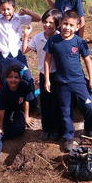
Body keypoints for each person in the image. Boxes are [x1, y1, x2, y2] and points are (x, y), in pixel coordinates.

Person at [44, 10, 92, 151]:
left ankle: (90, 129)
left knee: (90, 105)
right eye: (65, 24)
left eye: (71, 25)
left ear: (77, 27)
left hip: (79, 81)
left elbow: (88, 61)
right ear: (61, 23)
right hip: (62, 83)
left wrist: (91, 81)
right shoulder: (53, 40)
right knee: (65, 111)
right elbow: (47, 60)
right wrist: (47, 80)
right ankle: (68, 137)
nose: (67, 27)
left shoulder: (79, 42)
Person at [0, 0, 41, 105]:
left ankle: (32, 102)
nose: (6, 12)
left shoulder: (19, 18)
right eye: (3, 9)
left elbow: (38, 18)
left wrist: (26, 11)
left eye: (8, 9)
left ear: (14, 8)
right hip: (4, 56)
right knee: (4, 80)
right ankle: (7, 103)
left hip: (18, 54)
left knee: (28, 77)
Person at [0, 65, 35, 172]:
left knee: (20, 129)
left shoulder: (24, 86)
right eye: (10, 77)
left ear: (20, 78)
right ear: (6, 78)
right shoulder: (4, 90)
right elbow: (1, 110)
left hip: (18, 111)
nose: (13, 80)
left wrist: (27, 117)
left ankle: (3, 137)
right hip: (5, 112)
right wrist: (0, 127)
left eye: (16, 77)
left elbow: (26, 101)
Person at [22, 8, 63, 140]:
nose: (47, 25)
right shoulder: (38, 37)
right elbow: (24, 51)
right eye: (45, 21)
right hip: (44, 74)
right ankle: (46, 129)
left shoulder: (60, 37)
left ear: (58, 23)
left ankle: (57, 129)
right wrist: (26, 36)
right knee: (45, 102)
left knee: (56, 103)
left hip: (58, 75)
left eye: (51, 22)